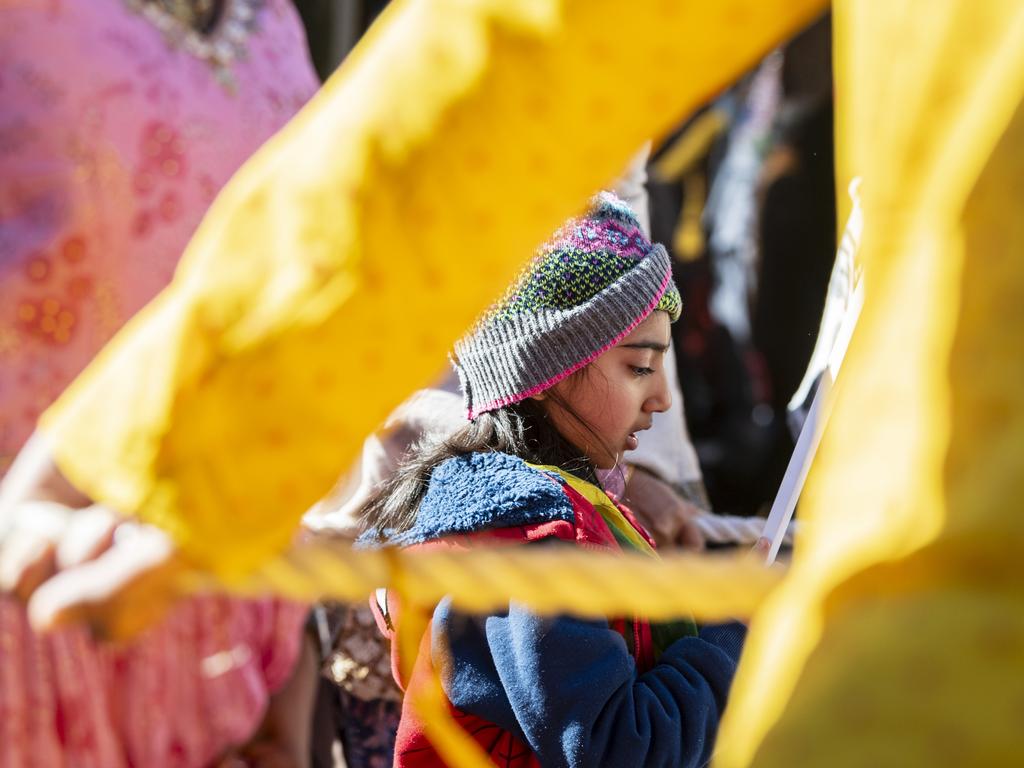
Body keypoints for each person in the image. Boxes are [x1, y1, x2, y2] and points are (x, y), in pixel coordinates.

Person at [359, 192, 745, 767]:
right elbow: (618, 749)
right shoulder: (524, 547)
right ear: (544, 372)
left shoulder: (537, 518)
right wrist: (733, 635)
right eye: (640, 367)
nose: (661, 397)